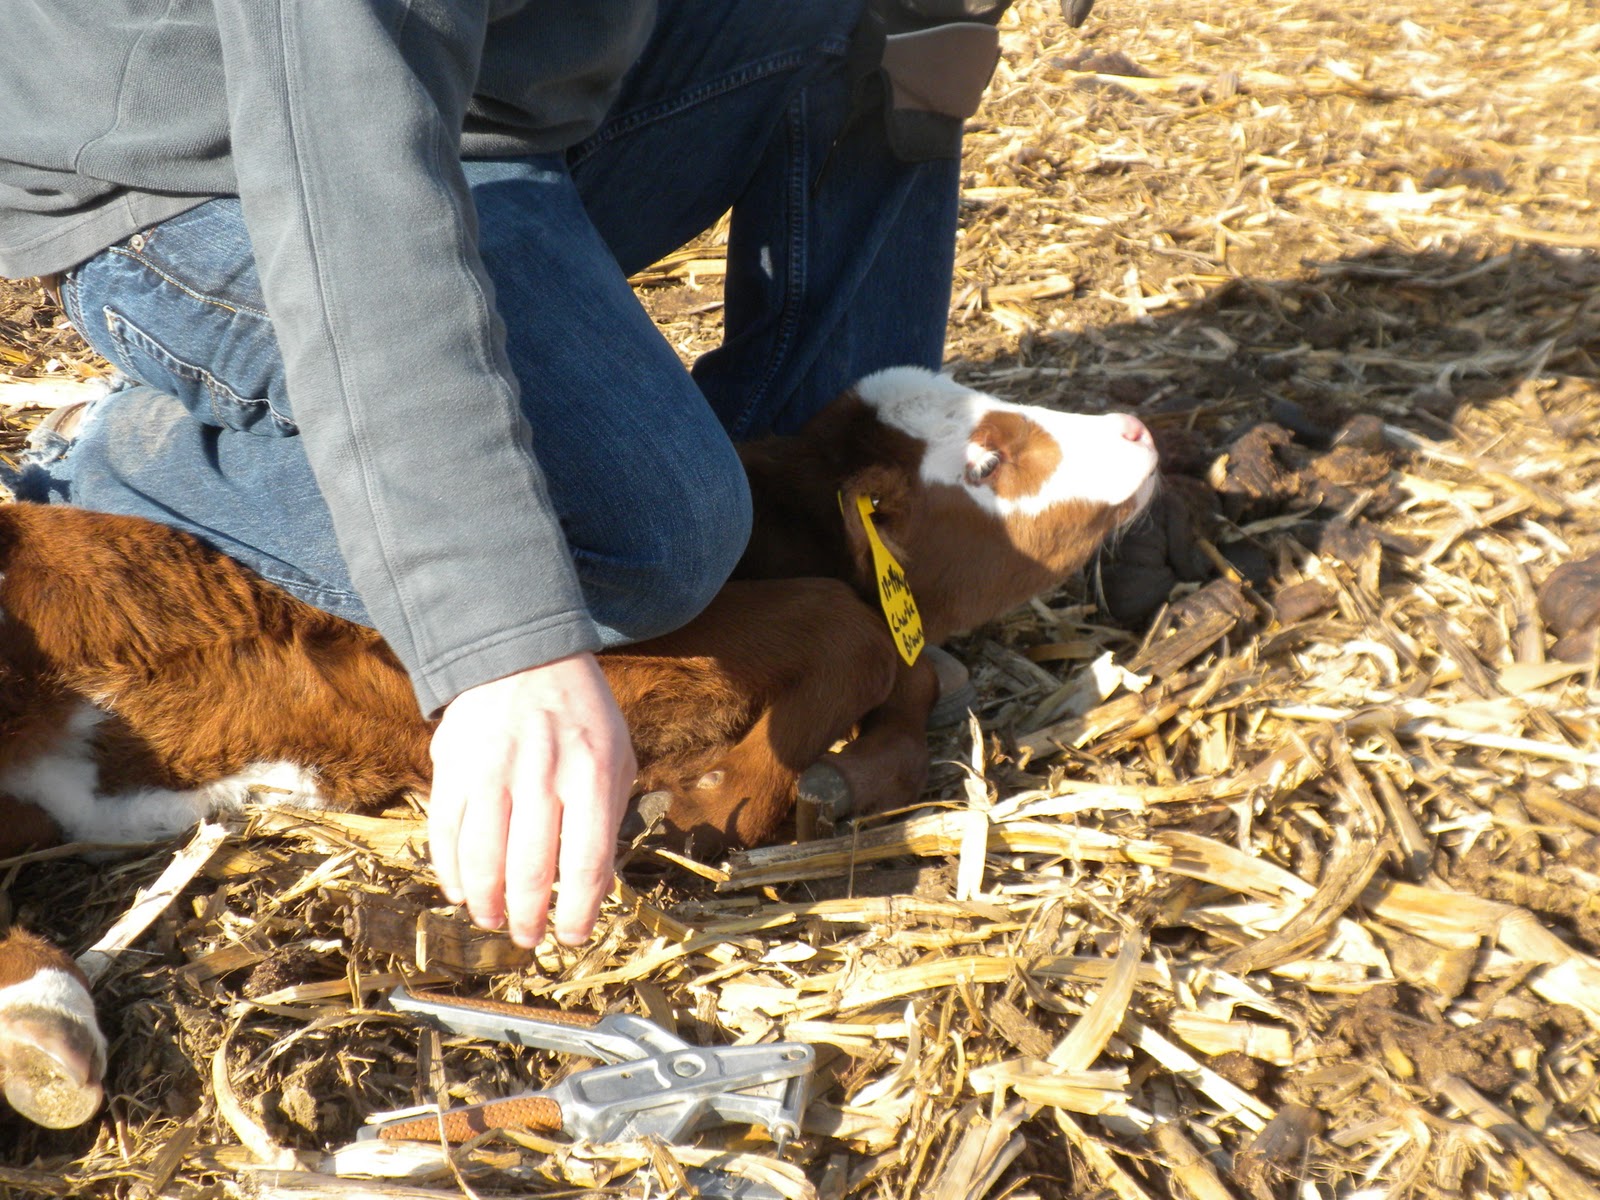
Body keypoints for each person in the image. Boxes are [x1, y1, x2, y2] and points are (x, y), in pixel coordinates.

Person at [0, 0, 1036, 950]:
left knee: (879, 31)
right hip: (209, 161)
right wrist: (504, 642)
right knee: (649, 536)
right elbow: (351, 181)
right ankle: (140, 479)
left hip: (495, 101)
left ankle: (779, 547)